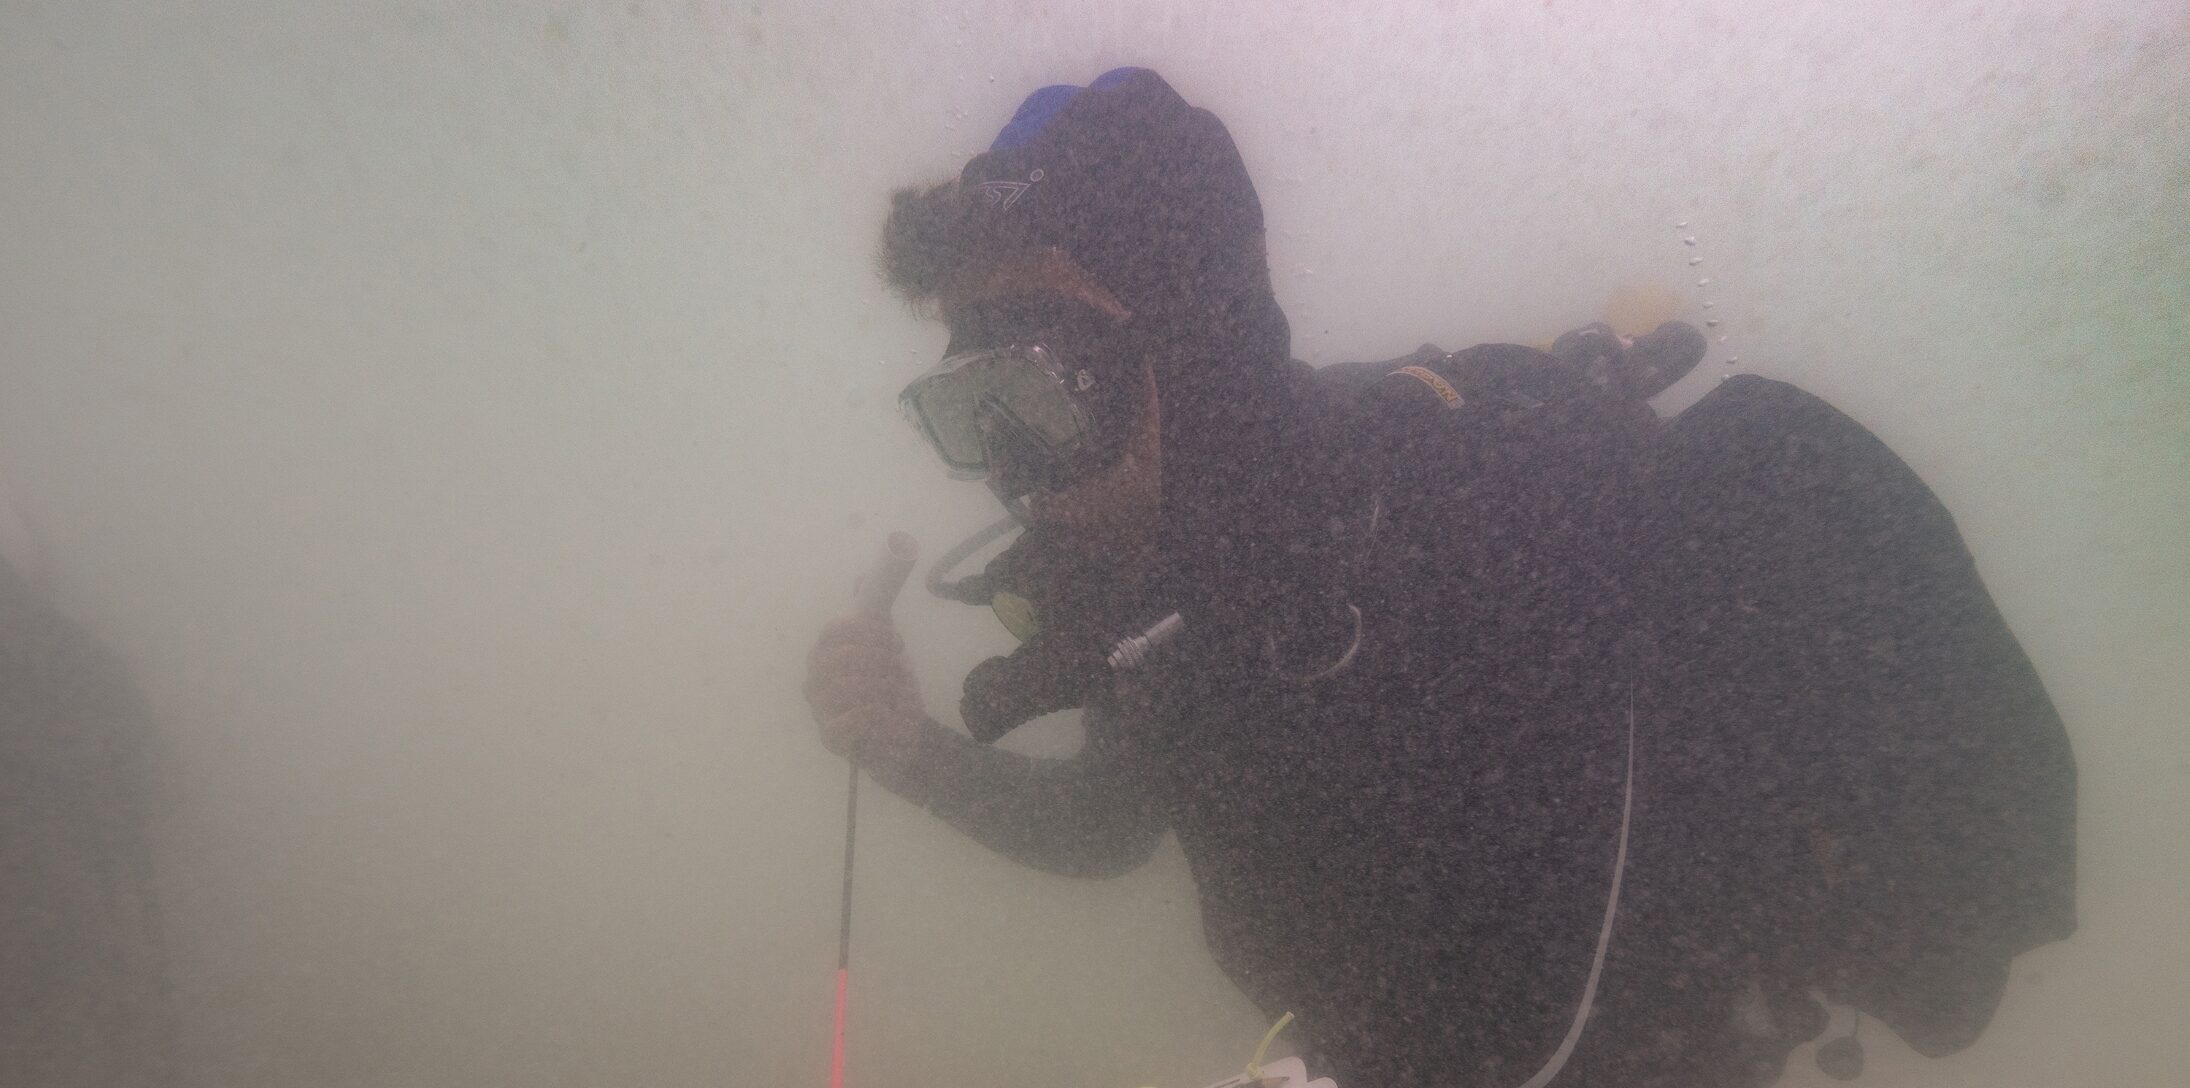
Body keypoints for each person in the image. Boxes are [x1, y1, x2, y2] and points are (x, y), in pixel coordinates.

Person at [803, 68, 2076, 1087]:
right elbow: (1109, 823)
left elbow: (1561, 1006)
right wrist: (910, 746)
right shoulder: (1162, 592)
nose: (1014, 474)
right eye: (972, 414)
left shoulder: (1446, 533)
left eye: (1039, 390)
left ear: (1189, 346)